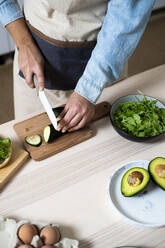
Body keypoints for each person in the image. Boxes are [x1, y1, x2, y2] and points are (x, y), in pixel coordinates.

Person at [0, 0, 155, 133]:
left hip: (102, 66)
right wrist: (24, 42)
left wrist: (88, 89)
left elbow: (126, 16)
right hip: (31, 53)